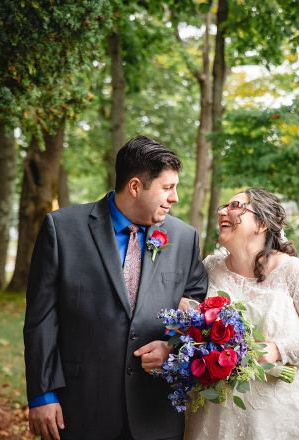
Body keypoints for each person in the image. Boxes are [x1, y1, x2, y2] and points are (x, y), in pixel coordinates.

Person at [24, 136, 207, 440]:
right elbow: (41, 319)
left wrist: (171, 345)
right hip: (79, 407)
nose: (174, 197)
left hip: (155, 410)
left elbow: (196, 301)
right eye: (167, 187)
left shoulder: (185, 237)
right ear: (135, 186)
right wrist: (42, 395)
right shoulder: (62, 228)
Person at [184, 188, 299, 440]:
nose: (222, 211)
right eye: (223, 205)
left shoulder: (294, 271)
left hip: (283, 412)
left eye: (235, 205)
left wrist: (276, 350)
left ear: (261, 223)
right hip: (220, 414)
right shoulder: (210, 267)